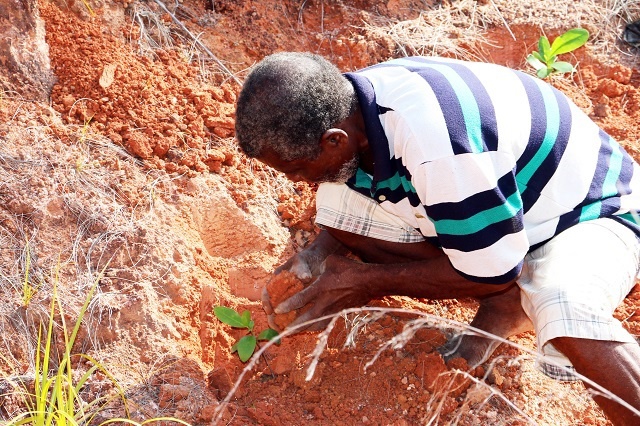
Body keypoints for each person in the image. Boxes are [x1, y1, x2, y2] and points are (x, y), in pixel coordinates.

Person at [234, 51, 640, 425]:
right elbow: (356, 187)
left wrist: (364, 282)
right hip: (509, 201)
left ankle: (513, 294)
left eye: (297, 168)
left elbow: (492, 273)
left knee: (563, 305)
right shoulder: (352, 105)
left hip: (593, 214)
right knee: (338, 209)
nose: (297, 180)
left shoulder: (440, 147)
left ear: (334, 139)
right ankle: (507, 300)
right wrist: (319, 251)